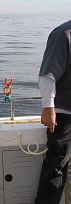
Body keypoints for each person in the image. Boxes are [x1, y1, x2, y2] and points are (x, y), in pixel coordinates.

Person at [35, 20, 71, 204]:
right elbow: (47, 75)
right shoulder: (63, 34)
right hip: (65, 114)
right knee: (56, 167)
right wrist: (48, 107)